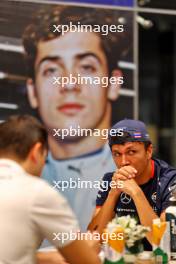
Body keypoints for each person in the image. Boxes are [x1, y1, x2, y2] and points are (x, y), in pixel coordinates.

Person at [22, 5, 132, 231]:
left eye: (86, 67)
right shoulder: (14, 177)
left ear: (113, 84)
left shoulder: (143, 175)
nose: (70, 84)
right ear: (33, 92)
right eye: (52, 70)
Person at [0, 115, 101, 264]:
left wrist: (43, 258)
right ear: (37, 151)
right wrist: (89, 247)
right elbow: (86, 261)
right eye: (45, 158)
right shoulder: (37, 192)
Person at [88, 119, 176, 250]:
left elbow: (165, 242)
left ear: (149, 151)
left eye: (131, 152)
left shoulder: (170, 179)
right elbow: (93, 239)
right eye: (117, 154)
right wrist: (113, 194)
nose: (123, 162)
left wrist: (136, 193)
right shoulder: (110, 180)